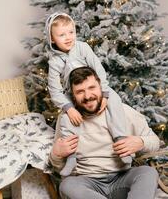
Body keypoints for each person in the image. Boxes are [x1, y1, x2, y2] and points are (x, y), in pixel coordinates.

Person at [49, 67, 160, 199]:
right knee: (67, 185)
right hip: (87, 183)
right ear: (72, 95)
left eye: (92, 88)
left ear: (101, 86)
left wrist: (141, 142)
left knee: (148, 172)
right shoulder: (66, 119)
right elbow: (58, 167)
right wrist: (56, 154)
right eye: (80, 92)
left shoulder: (123, 112)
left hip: (122, 178)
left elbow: (155, 141)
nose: (87, 96)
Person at [45, 12, 132, 176]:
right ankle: (72, 156)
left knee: (115, 100)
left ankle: (120, 139)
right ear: (52, 39)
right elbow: (54, 89)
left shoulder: (82, 47)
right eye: (62, 35)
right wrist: (68, 107)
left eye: (71, 32)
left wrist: (105, 93)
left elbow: (98, 69)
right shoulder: (55, 62)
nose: (68, 37)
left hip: (96, 88)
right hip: (73, 96)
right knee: (66, 119)